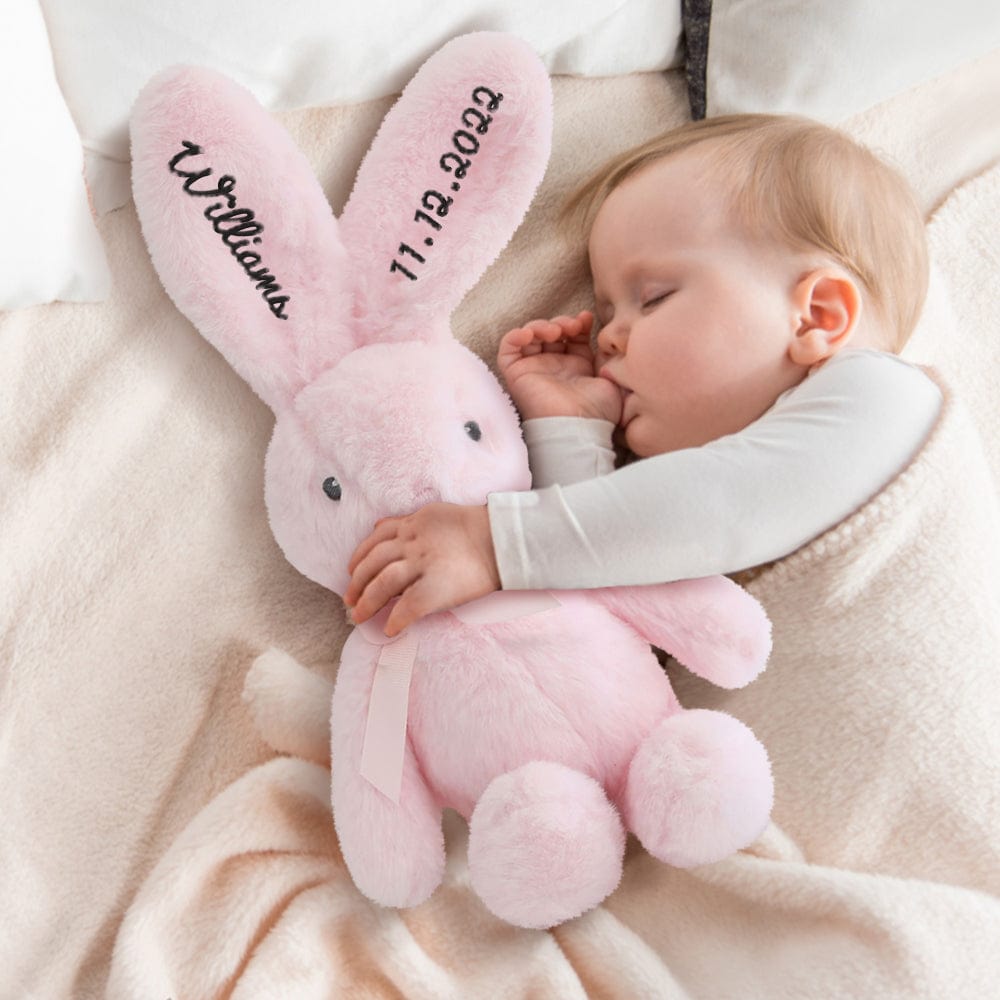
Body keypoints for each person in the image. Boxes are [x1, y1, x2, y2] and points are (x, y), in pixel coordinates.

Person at [343, 113, 942, 638]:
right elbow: (603, 615)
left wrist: (494, 543)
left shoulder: (886, 398)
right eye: (605, 310)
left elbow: (721, 506)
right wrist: (572, 432)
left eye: (652, 298)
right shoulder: (677, 514)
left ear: (817, 316)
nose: (607, 338)